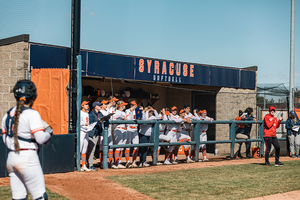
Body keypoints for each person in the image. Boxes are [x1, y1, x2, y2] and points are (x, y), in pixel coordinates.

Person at [1, 80, 53, 200]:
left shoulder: (7, 114)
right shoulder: (32, 114)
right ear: (33, 96)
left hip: (11, 158)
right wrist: (49, 133)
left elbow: (5, 139)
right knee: (40, 196)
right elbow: (40, 139)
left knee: (19, 198)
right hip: (28, 158)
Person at [87, 101, 103, 171]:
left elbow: (103, 119)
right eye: (99, 105)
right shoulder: (91, 113)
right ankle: (90, 165)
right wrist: (98, 122)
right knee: (91, 150)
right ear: (95, 106)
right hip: (92, 133)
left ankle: (89, 164)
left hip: (97, 133)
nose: (100, 106)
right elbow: (90, 124)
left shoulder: (100, 113)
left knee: (92, 149)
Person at [111, 100, 128, 169]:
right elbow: (114, 121)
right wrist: (121, 118)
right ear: (121, 106)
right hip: (118, 129)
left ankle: (119, 162)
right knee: (118, 146)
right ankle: (117, 162)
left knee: (122, 147)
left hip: (124, 129)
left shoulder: (124, 112)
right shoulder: (116, 112)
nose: (125, 105)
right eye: (124, 104)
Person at [125, 101, 139, 168]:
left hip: (135, 129)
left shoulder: (137, 111)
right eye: (131, 105)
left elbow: (140, 118)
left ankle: (134, 162)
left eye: (133, 105)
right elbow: (128, 119)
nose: (132, 106)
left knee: (136, 146)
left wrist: (140, 111)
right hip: (129, 129)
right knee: (128, 146)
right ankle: (127, 162)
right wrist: (130, 112)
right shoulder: (127, 111)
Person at [106, 96, 119, 167]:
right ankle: (109, 162)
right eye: (114, 101)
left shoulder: (114, 108)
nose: (115, 102)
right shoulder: (107, 107)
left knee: (115, 144)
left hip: (114, 127)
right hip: (108, 128)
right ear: (110, 101)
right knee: (109, 144)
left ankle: (115, 161)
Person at [80, 101, 91, 171]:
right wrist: (85, 124)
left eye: (87, 104)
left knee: (85, 149)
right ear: (82, 106)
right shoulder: (80, 112)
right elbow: (79, 123)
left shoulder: (87, 113)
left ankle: (84, 165)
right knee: (80, 148)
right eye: (86, 104)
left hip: (86, 131)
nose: (87, 105)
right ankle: (78, 165)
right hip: (81, 131)